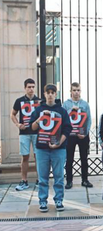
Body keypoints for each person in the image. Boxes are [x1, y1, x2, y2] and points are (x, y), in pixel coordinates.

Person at [30, 84, 72, 212]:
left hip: (58, 149)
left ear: (55, 94)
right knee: (43, 177)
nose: (50, 95)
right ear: (44, 94)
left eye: (52, 92)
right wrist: (40, 118)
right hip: (42, 148)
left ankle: (59, 200)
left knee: (59, 176)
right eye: (47, 92)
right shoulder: (38, 110)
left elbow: (67, 129)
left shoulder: (62, 111)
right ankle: (43, 201)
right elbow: (32, 127)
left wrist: (59, 142)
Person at [11, 78, 41, 191]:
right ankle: (24, 181)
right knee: (25, 157)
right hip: (24, 133)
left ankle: (40, 180)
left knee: (39, 156)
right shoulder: (19, 101)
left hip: (37, 133)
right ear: (25, 88)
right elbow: (12, 114)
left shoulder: (39, 101)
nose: (31, 89)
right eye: (29, 87)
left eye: (33, 87)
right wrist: (18, 124)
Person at [63, 82, 93, 189]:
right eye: (74, 90)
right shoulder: (66, 104)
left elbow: (89, 119)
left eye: (78, 90)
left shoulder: (85, 104)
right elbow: (63, 118)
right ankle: (69, 181)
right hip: (70, 135)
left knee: (84, 158)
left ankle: (85, 179)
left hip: (82, 135)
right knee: (69, 158)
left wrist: (85, 133)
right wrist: (71, 110)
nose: (76, 92)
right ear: (70, 91)